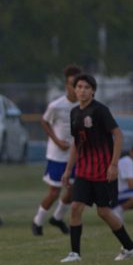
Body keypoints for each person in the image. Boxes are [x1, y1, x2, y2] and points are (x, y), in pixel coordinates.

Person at [59, 74, 133, 263]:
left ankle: (130, 246)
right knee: (75, 208)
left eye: (86, 87)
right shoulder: (74, 113)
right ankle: (75, 253)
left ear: (93, 91)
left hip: (103, 170)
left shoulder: (100, 110)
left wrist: (113, 165)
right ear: (74, 90)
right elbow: (76, 144)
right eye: (79, 86)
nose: (82, 90)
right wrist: (67, 170)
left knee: (103, 211)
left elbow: (118, 135)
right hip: (83, 171)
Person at [32, 64, 82, 236]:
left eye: (78, 84)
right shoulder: (57, 105)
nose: (76, 88)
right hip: (57, 155)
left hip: (75, 155)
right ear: (66, 85)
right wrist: (57, 141)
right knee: (54, 191)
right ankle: (37, 222)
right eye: (71, 84)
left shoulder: (84, 106)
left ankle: (57, 218)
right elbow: (44, 121)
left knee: (74, 190)